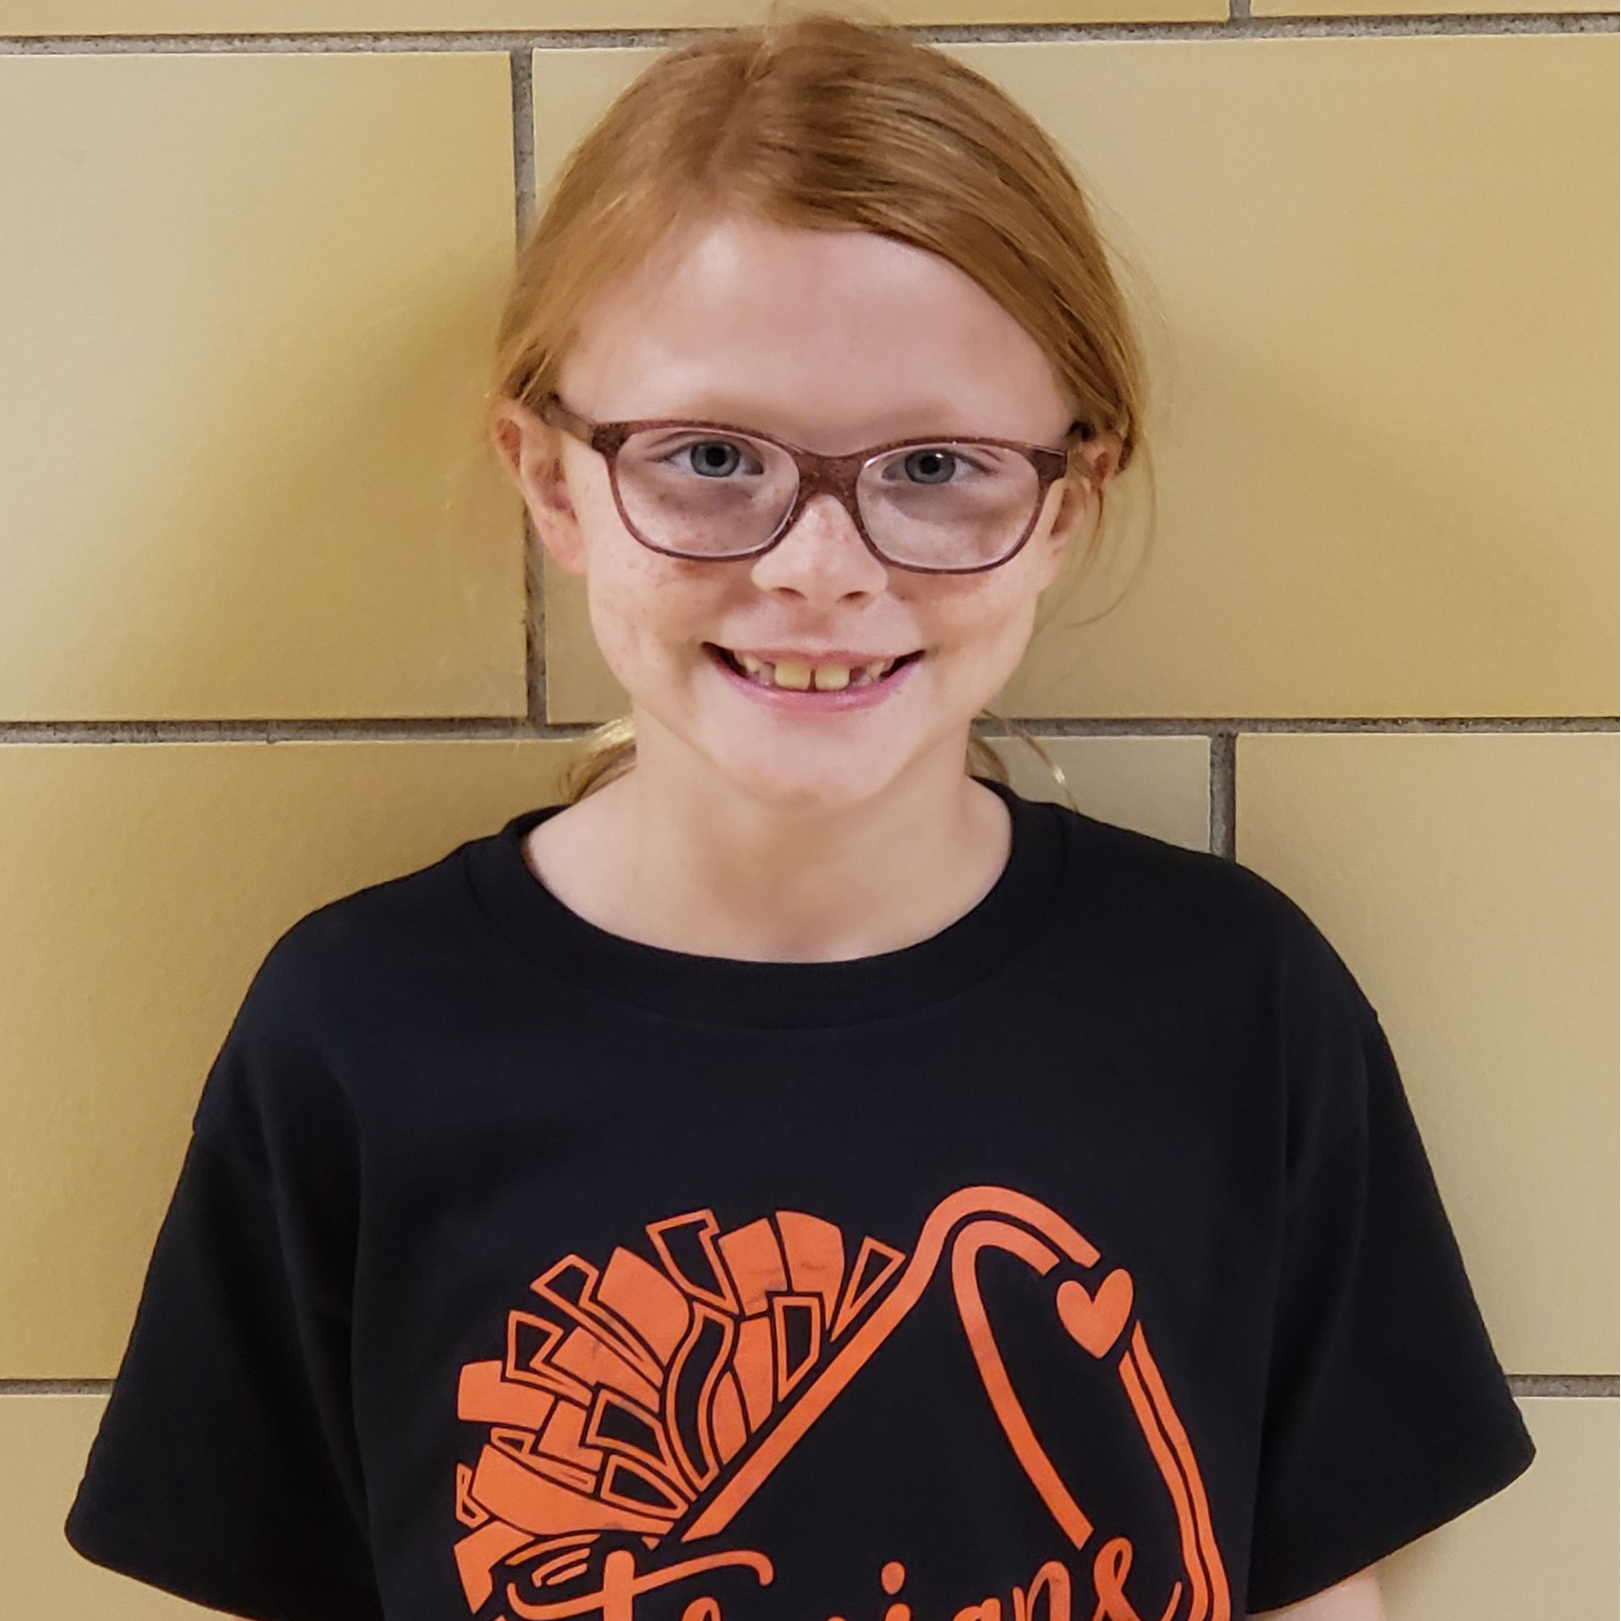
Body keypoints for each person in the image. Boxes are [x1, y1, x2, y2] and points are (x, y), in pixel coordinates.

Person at [64, 13, 1534, 1621]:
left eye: (934, 465)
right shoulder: (358, 1033)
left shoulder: (1235, 1008)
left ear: (1069, 502)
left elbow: (1321, 1587)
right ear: (552, 484)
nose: (819, 566)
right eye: (709, 456)